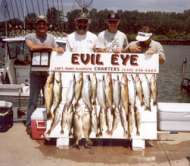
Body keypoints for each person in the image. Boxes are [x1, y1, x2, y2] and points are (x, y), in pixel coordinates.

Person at [25, 15, 64, 135]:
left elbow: (58, 49)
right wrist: (50, 48)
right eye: (39, 24)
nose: (42, 26)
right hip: (35, 74)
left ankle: (50, 121)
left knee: (50, 99)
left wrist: (59, 49)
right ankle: (29, 124)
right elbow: (32, 47)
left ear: (47, 26)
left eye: (44, 24)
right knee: (33, 100)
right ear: (36, 25)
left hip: (48, 75)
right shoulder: (29, 36)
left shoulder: (51, 37)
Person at [66, 12, 98, 148]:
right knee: (75, 106)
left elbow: (100, 57)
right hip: (74, 77)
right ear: (76, 22)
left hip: (91, 78)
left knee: (90, 106)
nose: (82, 24)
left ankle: (89, 136)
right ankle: (76, 136)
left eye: (85, 22)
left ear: (88, 23)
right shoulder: (69, 37)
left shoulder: (93, 37)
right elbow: (66, 58)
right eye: (80, 22)